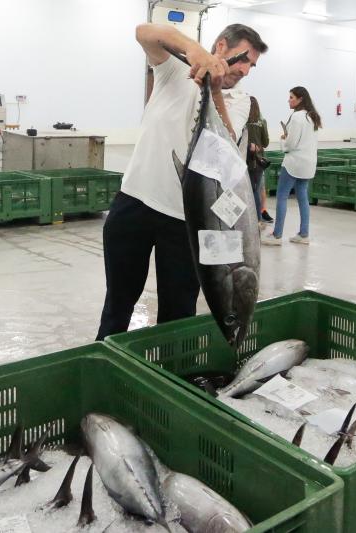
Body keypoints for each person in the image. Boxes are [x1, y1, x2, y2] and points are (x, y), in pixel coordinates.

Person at [95, 23, 268, 341]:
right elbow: (143, 31)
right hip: (134, 203)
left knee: (177, 315)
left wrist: (214, 89)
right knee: (118, 303)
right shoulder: (173, 68)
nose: (244, 69)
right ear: (220, 46)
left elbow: (227, 144)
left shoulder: (240, 100)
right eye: (243, 58)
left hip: (188, 223)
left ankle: (168, 377)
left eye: (251, 65)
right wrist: (194, 51)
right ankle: (104, 367)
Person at [261, 86, 321, 246]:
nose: (289, 100)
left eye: (292, 97)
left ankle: (277, 235)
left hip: (294, 163)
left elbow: (290, 144)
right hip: (308, 164)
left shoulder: (297, 117)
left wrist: (283, 140)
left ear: (300, 99)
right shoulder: (312, 117)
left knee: (281, 196)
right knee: (303, 197)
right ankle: (304, 234)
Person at [246, 96, 270, 221]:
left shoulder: (243, 122)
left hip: (244, 160)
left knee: (247, 190)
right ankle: (258, 219)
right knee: (256, 189)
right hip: (258, 162)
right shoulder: (262, 121)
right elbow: (266, 143)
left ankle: (252, 218)